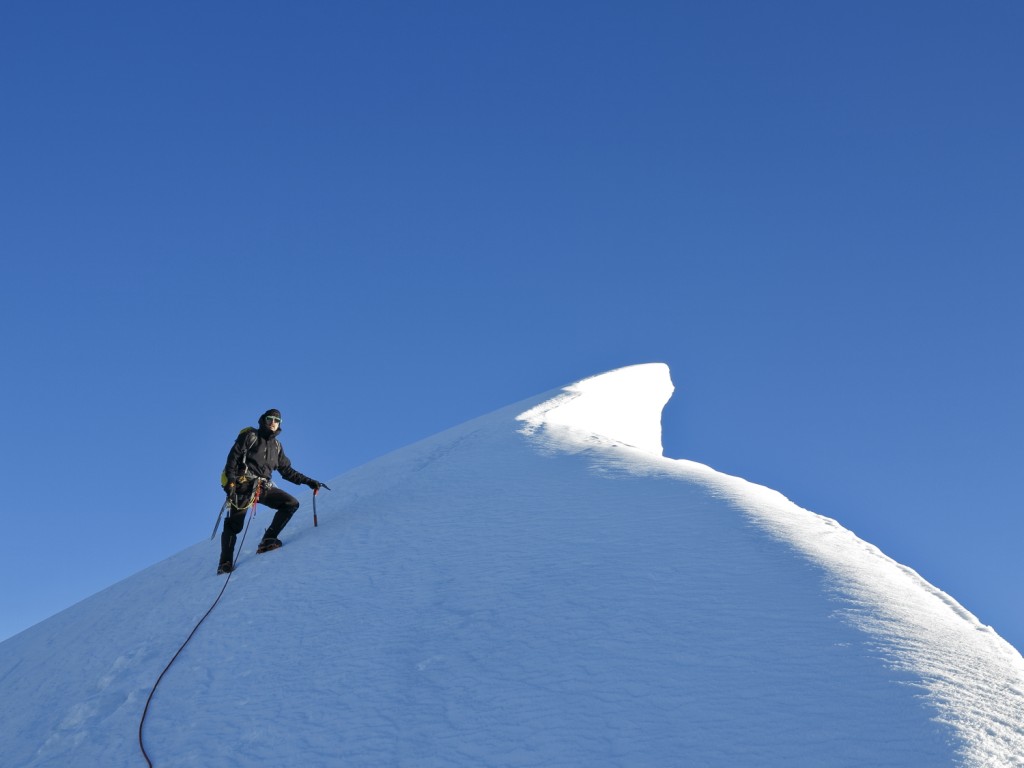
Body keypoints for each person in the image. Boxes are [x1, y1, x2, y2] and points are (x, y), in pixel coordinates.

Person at [219, 408, 322, 574]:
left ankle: (268, 540)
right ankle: (225, 564)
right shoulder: (250, 436)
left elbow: (287, 471)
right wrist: (231, 483)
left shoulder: (277, 446)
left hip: (262, 486)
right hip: (243, 485)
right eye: (270, 419)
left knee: (290, 504)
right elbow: (232, 459)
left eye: (276, 420)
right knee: (235, 525)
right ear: (263, 420)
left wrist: (309, 481)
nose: (273, 423)